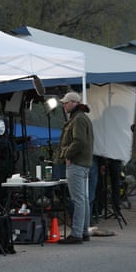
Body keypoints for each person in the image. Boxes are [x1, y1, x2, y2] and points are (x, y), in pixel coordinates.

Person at [56, 92, 94, 244]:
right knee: (83, 199)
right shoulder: (83, 118)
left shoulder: (77, 119)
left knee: (77, 200)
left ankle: (77, 233)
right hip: (84, 163)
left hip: (76, 163)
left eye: (66, 102)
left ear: (74, 103)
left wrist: (67, 155)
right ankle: (83, 231)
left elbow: (79, 141)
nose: (64, 105)